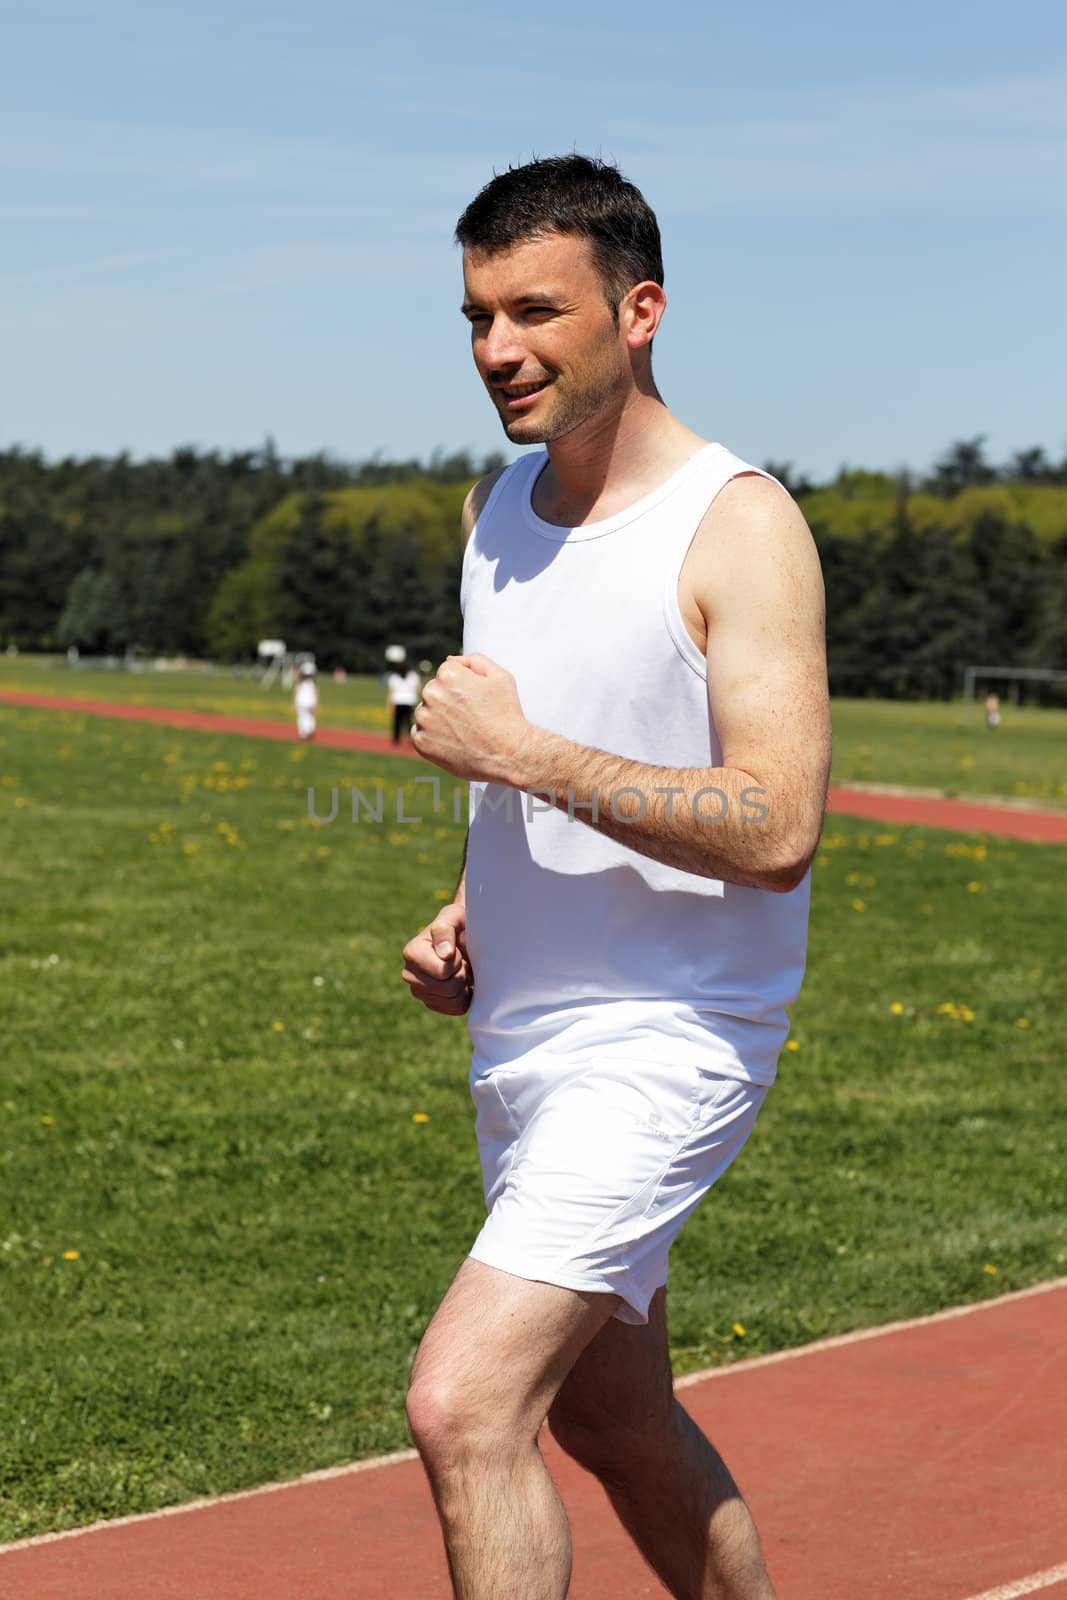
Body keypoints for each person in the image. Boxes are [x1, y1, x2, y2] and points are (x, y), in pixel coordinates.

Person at [400, 154, 831, 1600]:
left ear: (638, 310)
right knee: (608, 1413)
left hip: (668, 1038)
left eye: (534, 311)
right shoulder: (490, 513)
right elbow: (565, 758)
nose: (496, 351)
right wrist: (477, 902)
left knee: (466, 1405)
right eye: (473, 317)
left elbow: (773, 828)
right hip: (521, 1036)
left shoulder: (737, 525)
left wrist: (519, 759)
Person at [386, 654, 421, 744]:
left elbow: (391, 692)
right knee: (408, 722)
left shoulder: (394, 677)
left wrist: (389, 704)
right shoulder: (413, 676)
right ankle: (410, 738)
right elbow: (417, 689)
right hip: (409, 701)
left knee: (397, 722)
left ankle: (396, 739)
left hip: (398, 701)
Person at [293, 661, 318, 741]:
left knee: (302, 717)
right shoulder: (312, 683)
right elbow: (316, 693)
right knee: (309, 716)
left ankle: (304, 733)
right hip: (309, 702)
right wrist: (316, 703)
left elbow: (296, 691)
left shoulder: (300, 683)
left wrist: (294, 702)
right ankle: (308, 730)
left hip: (301, 701)